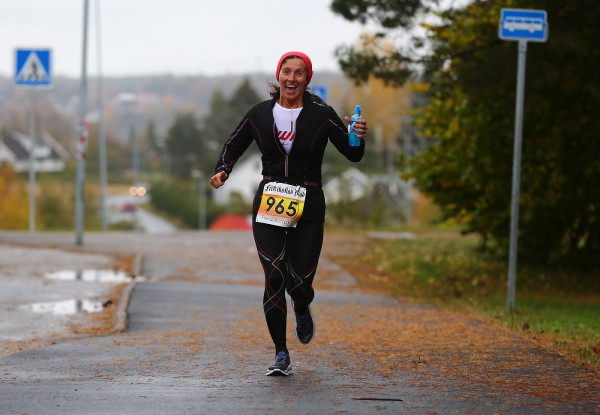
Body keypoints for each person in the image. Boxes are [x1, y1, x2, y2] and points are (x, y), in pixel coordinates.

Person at [210, 51, 368, 376]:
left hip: (309, 203)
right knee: (274, 276)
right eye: (287, 71)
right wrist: (223, 170)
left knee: (299, 282)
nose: (292, 78)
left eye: (299, 73)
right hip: (270, 201)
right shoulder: (260, 113)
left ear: (307, 80)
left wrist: (358, 136)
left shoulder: (322, 115)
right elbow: (232, 145)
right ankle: (281, 353)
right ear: (278, 75)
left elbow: (352, 154)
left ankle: (303, 302)